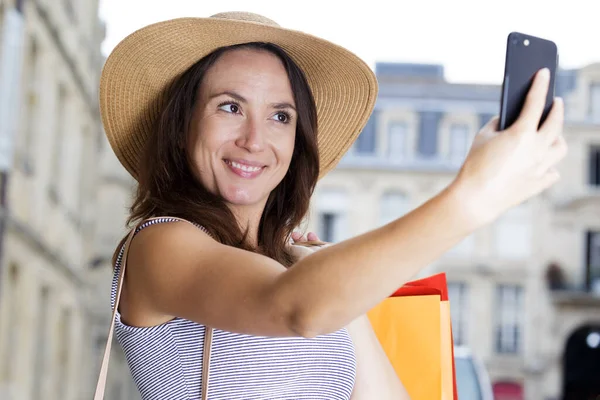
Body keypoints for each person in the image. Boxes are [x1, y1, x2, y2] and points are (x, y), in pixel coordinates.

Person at [95, 11, 567, 400]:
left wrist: (328, 280)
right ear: (181, 126)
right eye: (229, 107)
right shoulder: (158, 244)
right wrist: (472, 198)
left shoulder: (301, 280)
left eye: (280, 116)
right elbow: (297, 308)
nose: (254, 140)